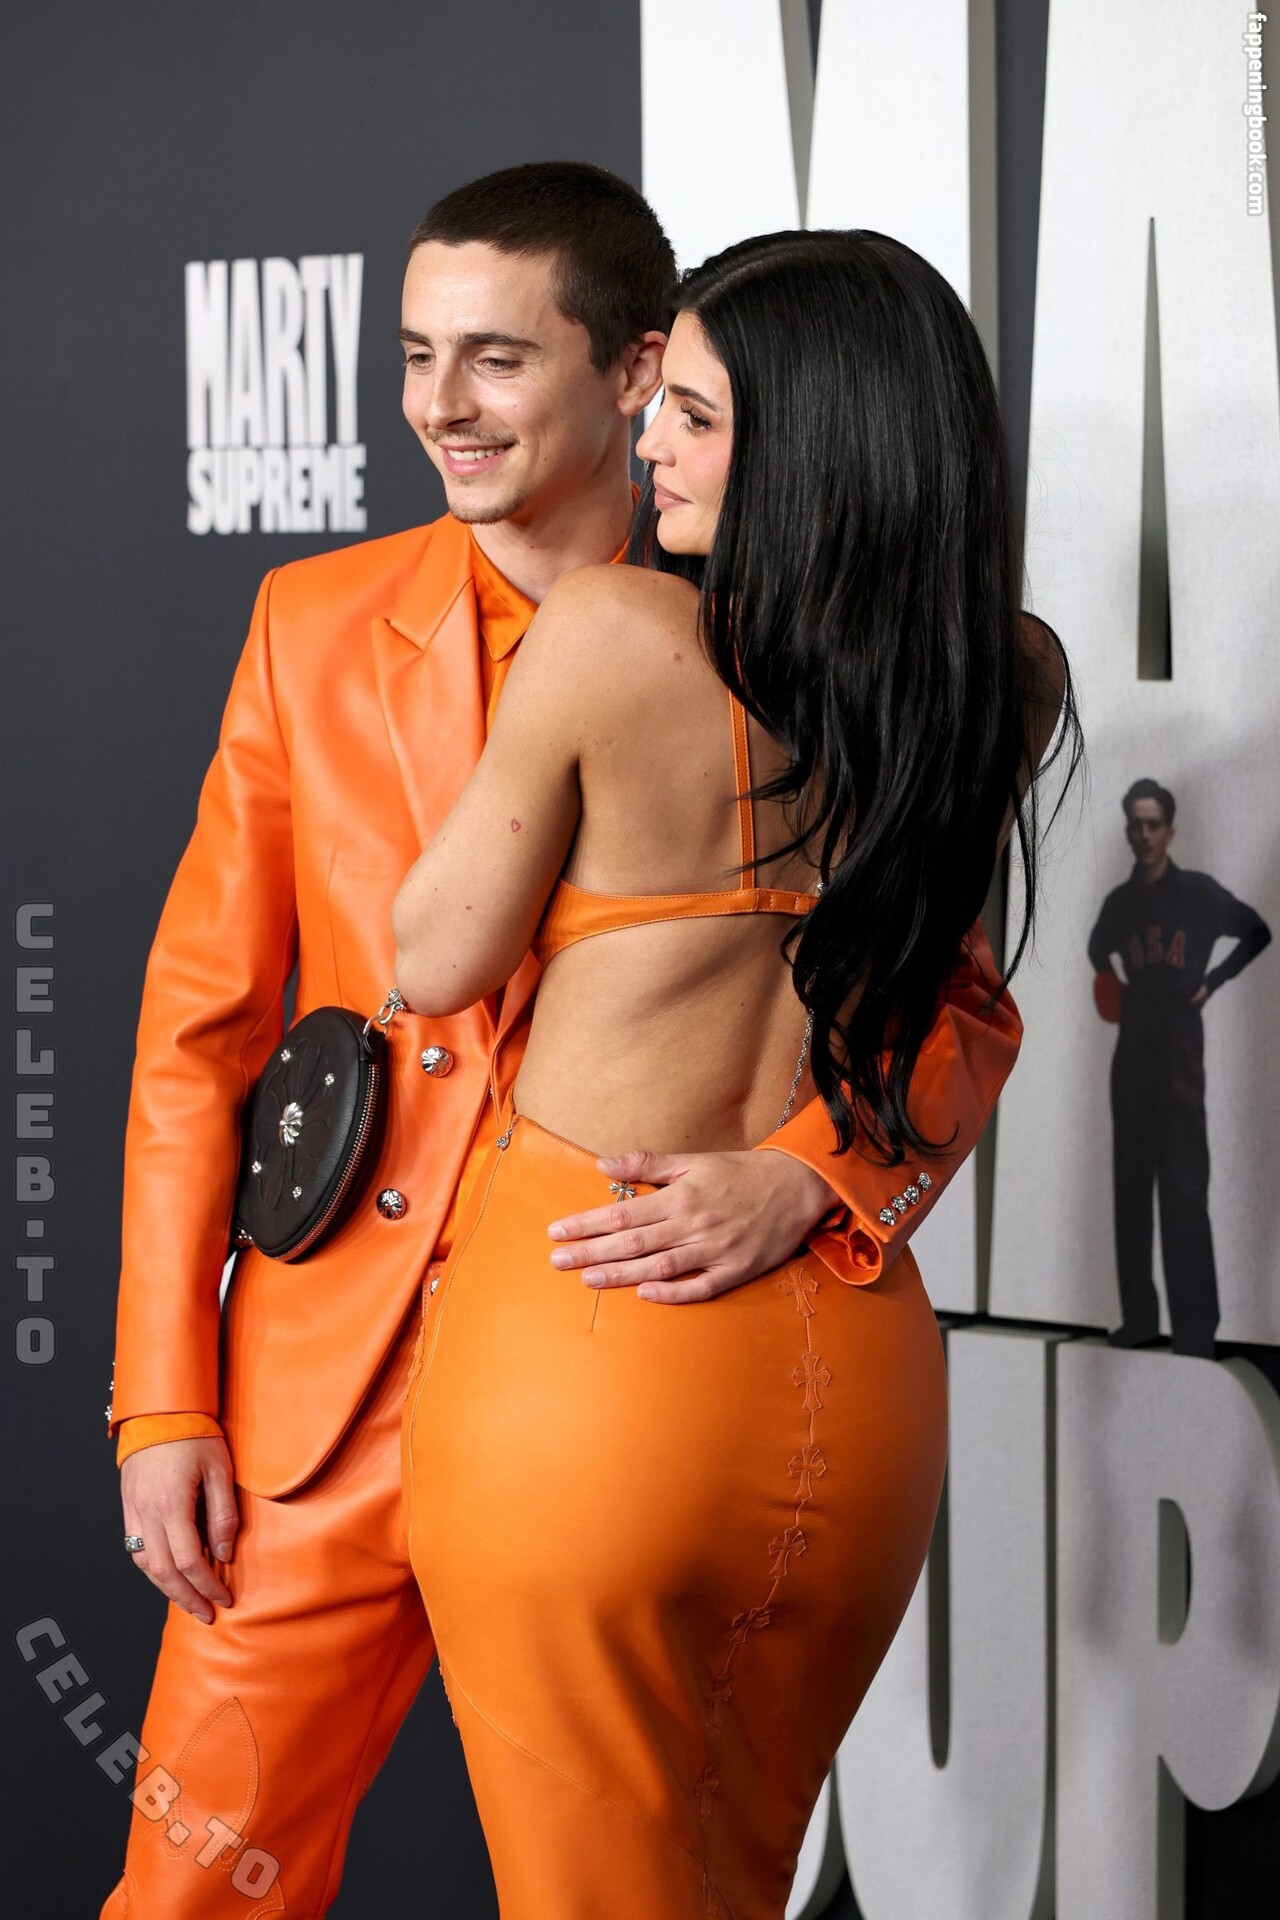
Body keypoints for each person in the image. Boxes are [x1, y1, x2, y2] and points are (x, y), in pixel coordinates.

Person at [101, 170, 1020, 1918]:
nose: (440, 405)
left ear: (637, 369)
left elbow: (957, 1005)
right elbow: (196, 1032)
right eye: (414, 356)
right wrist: (164, 1394)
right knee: (194, 1890)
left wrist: (812, 1177)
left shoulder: (814, 642)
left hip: (622, 1357)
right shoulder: (311, 627)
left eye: (497, 358)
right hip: (329, 1400)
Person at [394, 227, 1077, 1918]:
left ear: (813, 446)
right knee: (731, 1879)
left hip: (592, 1346)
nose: (651, 444)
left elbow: (434, 955)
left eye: (694, 415)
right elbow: (956, 1008)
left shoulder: (609, 629)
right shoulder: (997, 677)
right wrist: (808, 1176)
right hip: (851, 1383)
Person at [1089, 778, 1271, 1357]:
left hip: (1180, 1062)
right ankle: (1140, 1320)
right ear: (1128, 831)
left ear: (1169, 830)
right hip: (1131, 1061)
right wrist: (1112, 986)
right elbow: (1096, 950)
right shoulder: (1120, 904)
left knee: (1185, 1195)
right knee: (1131, 1196)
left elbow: (1257, 931)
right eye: (1136, 825)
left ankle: (1195, 1331)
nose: (1144, 835)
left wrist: (1212, 982)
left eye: (1153, 824)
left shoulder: (1198, 894)